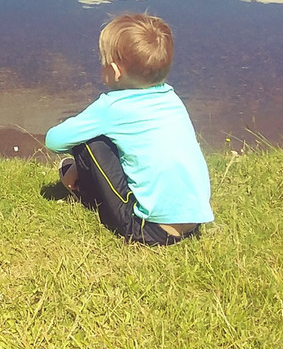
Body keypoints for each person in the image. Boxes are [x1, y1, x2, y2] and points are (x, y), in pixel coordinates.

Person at [45, 13, 213, 246]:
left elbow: (53, 140)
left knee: (90, 141)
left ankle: (83, 189)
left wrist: (75, 164)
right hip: (194, 220)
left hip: (149, 229)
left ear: (114, 71)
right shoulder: (172, 99)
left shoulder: (112, 107)